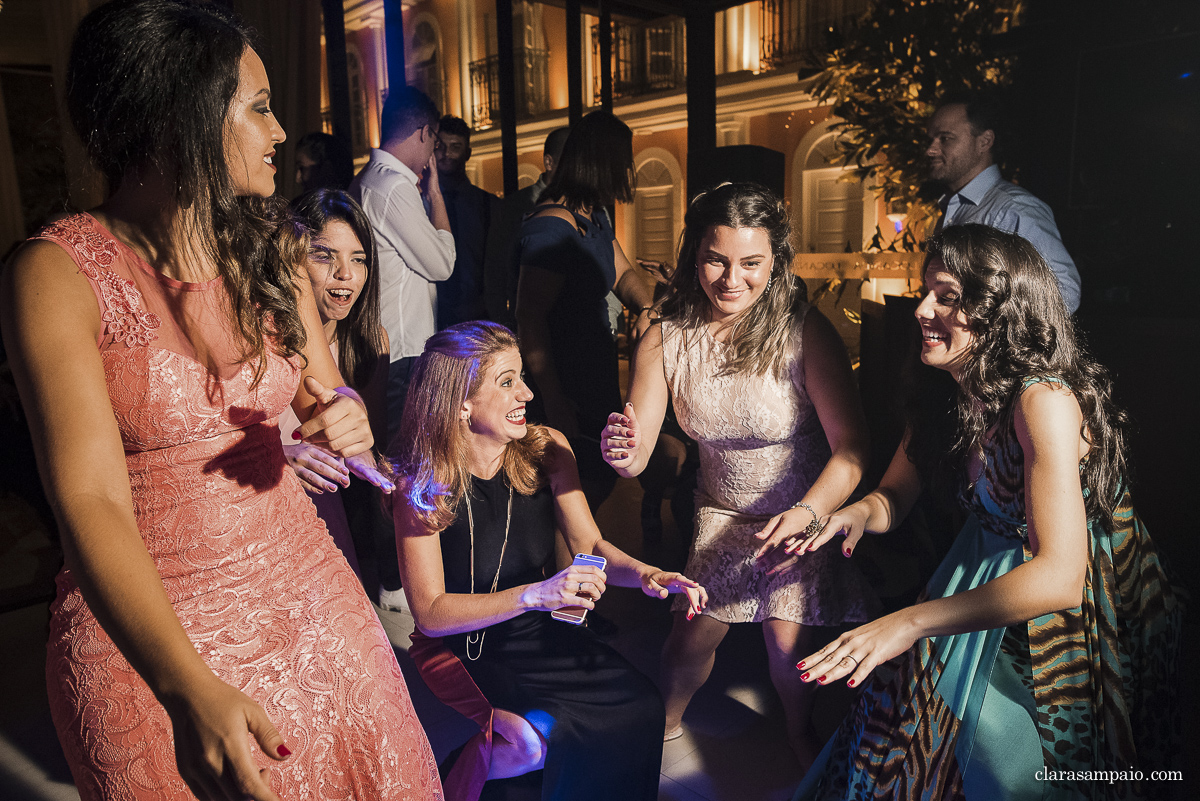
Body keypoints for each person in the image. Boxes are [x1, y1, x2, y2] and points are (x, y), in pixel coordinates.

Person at [0, 2, 442, 799]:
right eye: (261, 107)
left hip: (310, 592)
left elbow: (323, 390)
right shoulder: (56, 274)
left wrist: (343, 412)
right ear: (185, 112)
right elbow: (90, 499)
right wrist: (184, 686)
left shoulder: (269, 246)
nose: (281, 134)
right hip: (150, 633)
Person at [792, 225, 1181, 800]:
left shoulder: (1042, 401)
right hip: (978, 568)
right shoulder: (943, 392)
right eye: (926, 291)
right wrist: (854, 515)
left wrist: (907, 620)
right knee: (905, 728)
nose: (922, 309)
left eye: (947, 297)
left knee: (1016, 764)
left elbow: (1060, 575)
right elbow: (894, 497)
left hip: (1067, 595)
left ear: (1000, 310)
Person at [602, 183, 877, 767]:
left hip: (804, 507)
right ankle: (660, 728)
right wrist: (622, 452)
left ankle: (799, 731)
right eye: (715, 259)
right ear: (692, 255)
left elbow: (852, 449)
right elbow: (640, 449)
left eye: (751, 263)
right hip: (721, 511)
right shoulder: (664, 338)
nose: (732, 279)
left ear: (774, 262)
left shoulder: (804, 332)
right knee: (690, 635)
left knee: (787, 641)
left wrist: (807, 513)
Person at [391, 320, 707, 801]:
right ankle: (441, 783)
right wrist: (537, 594)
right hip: (462, 643)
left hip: (537, 629)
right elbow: (431, 615)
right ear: (461, 403)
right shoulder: (420, 482)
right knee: (538, 739)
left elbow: (592, 547)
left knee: (642, 705)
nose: (527, 393)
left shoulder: (548, 449)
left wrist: (646, 574)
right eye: (507, 381)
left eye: (521, 377)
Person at [514, 110, 656, 510]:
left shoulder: (592, 218)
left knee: (593, 479)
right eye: (623, 160)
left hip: (594, 370)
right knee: (571, 490)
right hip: (566, 377)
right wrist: (554, 396)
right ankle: (565, 571)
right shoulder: (551, 227)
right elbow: (530, 317)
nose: (628, 170)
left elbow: (622, 270)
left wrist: (646, 306)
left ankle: (573, 568)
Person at [278, 189, 390, 582]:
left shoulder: (371, 341)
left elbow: (364, 446)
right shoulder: (264, 334)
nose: (345, 274)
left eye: (358, 259)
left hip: (330, 507)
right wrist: (282, 453)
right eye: (325, 256)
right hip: (262, 496)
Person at [349, 85, 454, 443]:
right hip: (402, 349)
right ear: (425, 132)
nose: (432, 153)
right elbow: (442, 264)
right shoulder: (393, 186)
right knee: (401, 455)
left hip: (384, 343)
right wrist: (436, 196)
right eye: (434, 142)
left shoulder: (368, 178)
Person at [926, 91, 1082, 312]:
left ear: (985, 141)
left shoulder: (1013, 209)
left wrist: (998, 340)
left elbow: (1064, 293)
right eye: (930, 139)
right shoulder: (952, 210)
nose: (930, 149)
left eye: (945, 138)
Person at [484, 126, 569, 328]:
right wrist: (501, 324)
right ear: (549, 162)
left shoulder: (587, 206)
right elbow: (495, 271)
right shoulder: (515, 207)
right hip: (526, 325)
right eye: (570, 161)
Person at [435, 115, 497, 329]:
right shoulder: (419, 203)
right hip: (434, 311)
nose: (446, 154)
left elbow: (497, 261)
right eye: (440, 146)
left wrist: (485, 301)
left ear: (467, 153)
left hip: (477, 311)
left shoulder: (487, 204)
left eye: (455, 147)